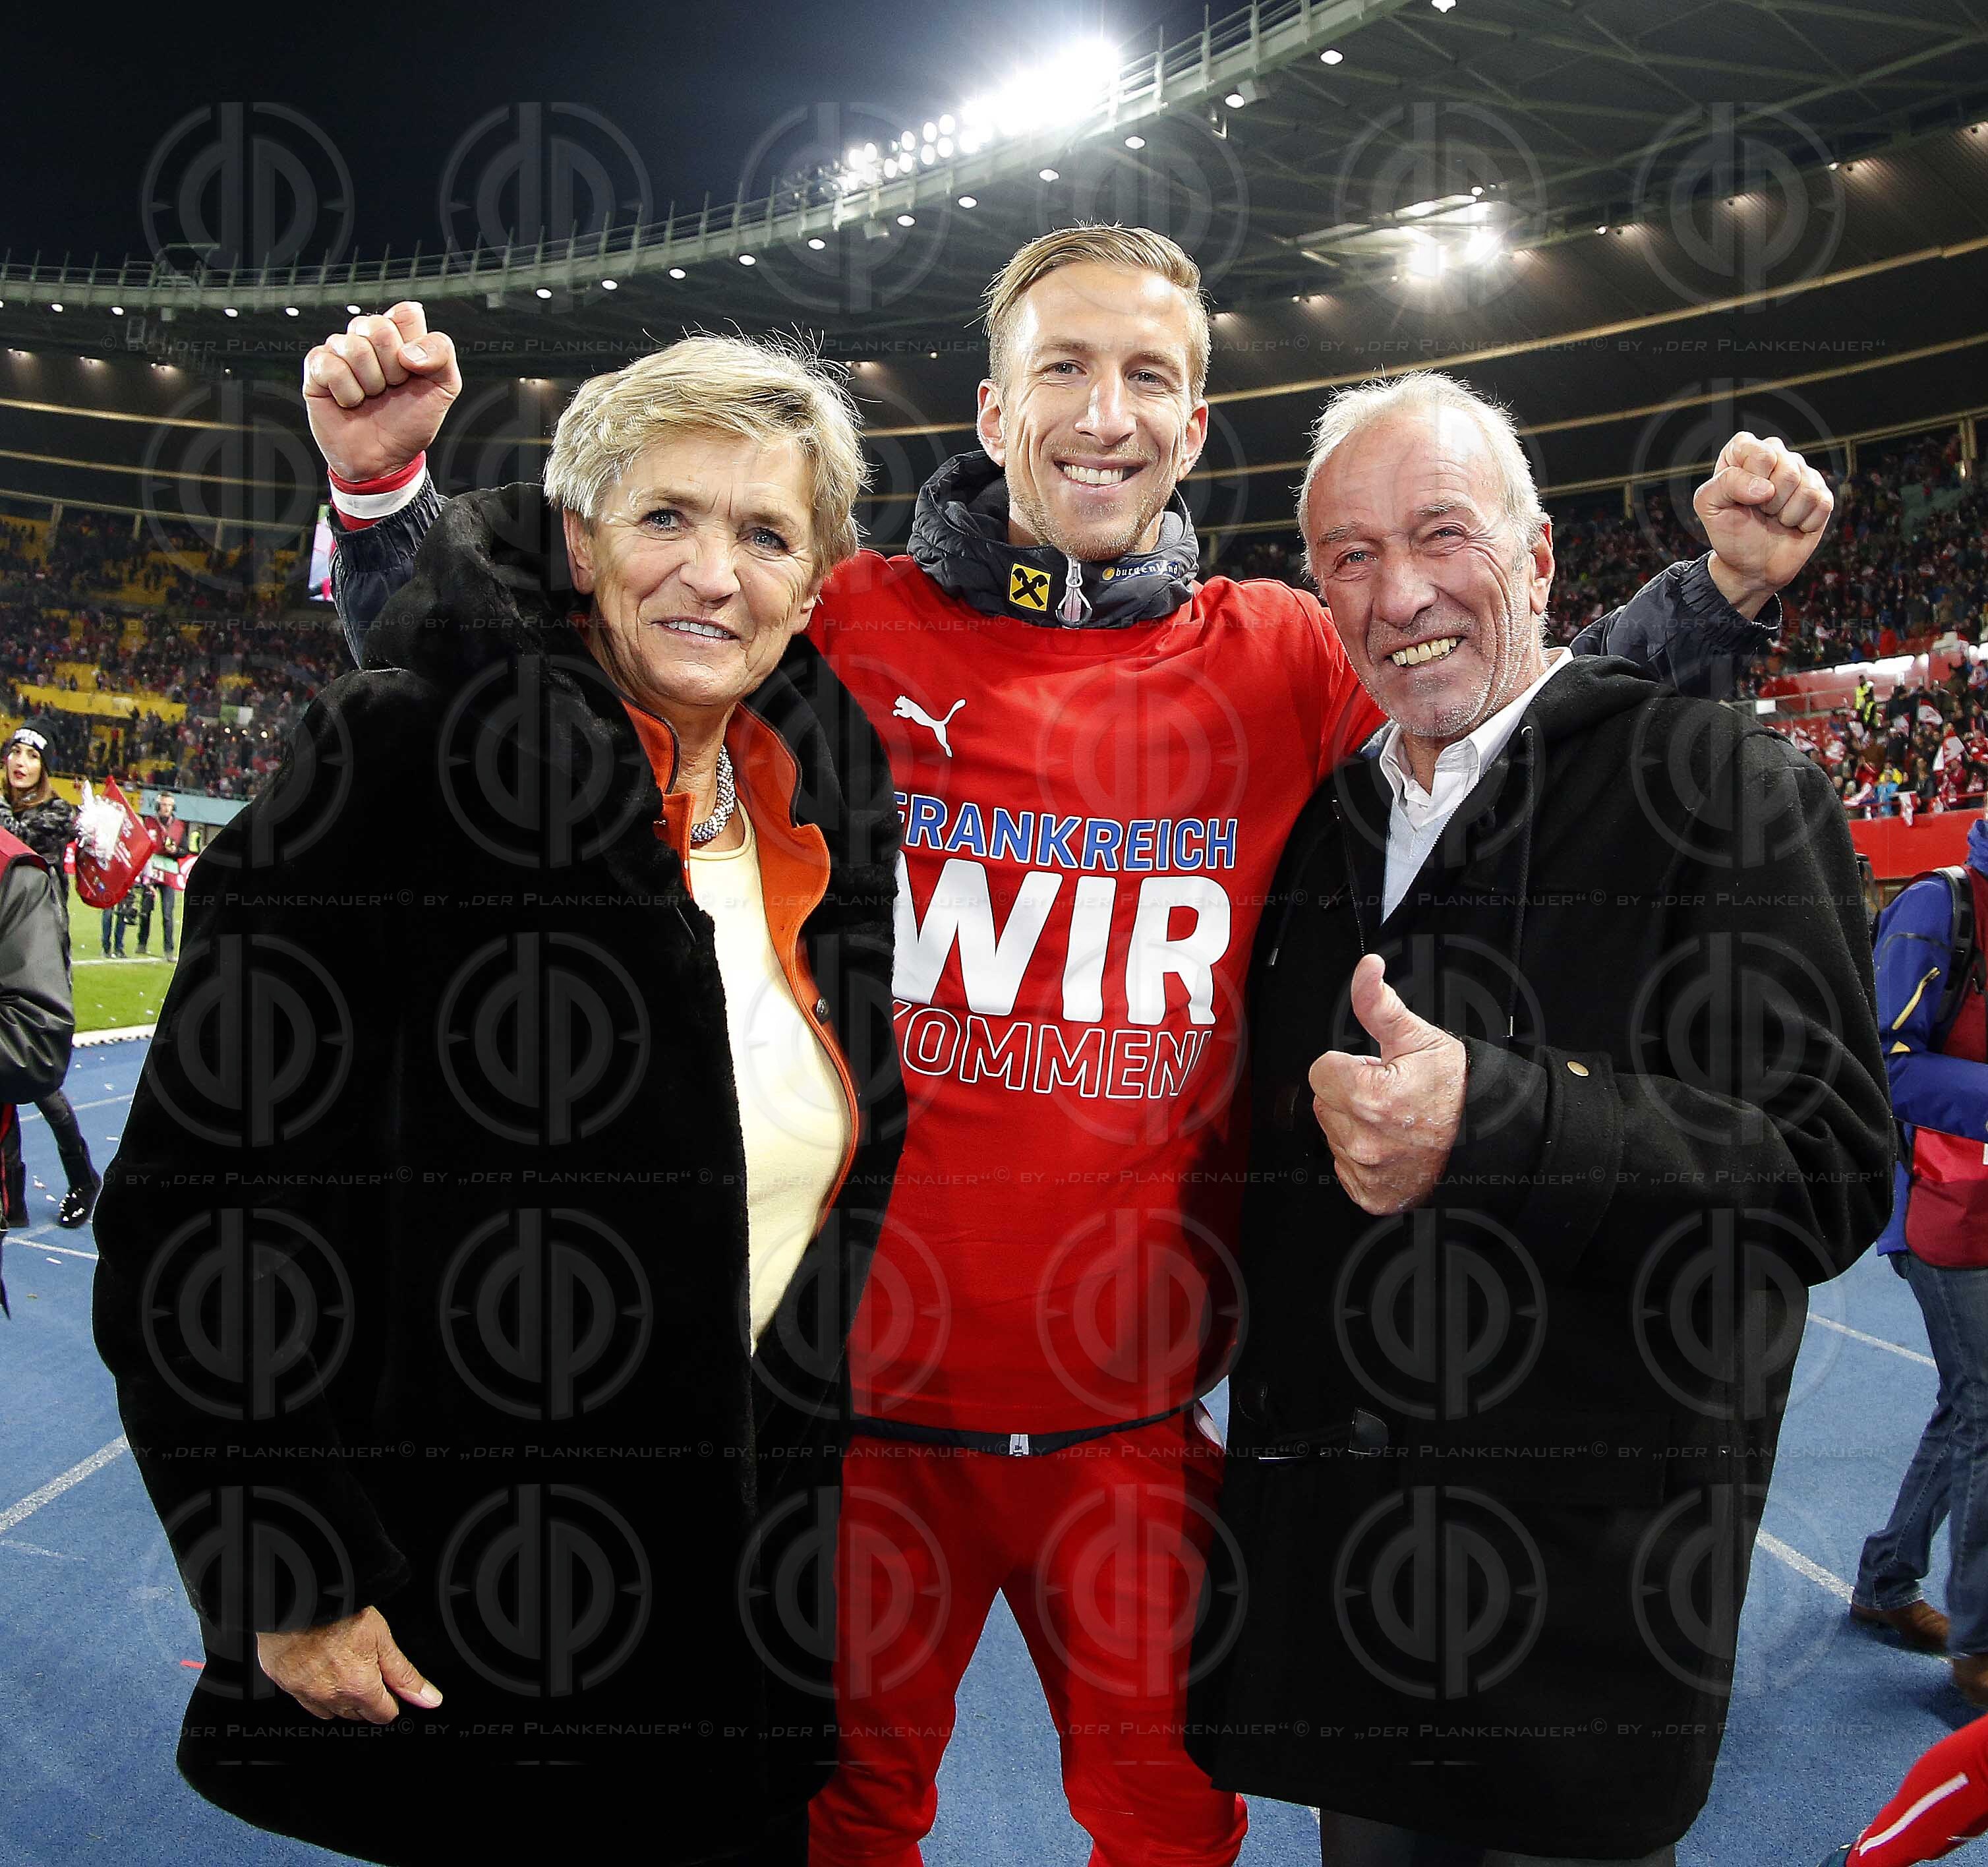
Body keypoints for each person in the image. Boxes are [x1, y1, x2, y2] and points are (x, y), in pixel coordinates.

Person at [306, 231, 1832, 1867]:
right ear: (988, 406)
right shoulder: (835, 619)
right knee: (835, 1825)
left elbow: (1509, 712)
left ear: (1192, 424)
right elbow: (521, 696)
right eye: (1061, 367)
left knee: (1171, 1829)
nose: (1103, 413)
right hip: (855, 1421)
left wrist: (1711, 595)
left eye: (1147, 377)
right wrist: (388, 497)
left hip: (1131, 1426)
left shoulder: (1283, 655)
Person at [92, 332, 906, 1867]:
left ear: (812, 587)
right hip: (469, 1628)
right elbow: (205, 1194)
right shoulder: (405, 755)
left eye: (762, 533)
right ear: (581, 536)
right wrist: (288, 1553)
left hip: (725, 1658)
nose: (710, 573)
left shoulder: (826, 819)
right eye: (666, 516)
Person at [1187, 372, 1890, 1864]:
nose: (1397, 593)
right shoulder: (1323, 829)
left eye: (1438, 535)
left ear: (1534, 560)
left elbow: (1820, 1173)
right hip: (1349, 1623)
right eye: (1347, 557)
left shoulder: (1721, 788)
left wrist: (1499, 1122)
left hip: (1576, 1631)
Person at [1851, 805, 1988, 1705]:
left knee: (1968, 1404)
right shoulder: (1940, 910)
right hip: (1935, 1208)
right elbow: (1883, 1063)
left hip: (1981, 1193)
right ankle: (1978, 1644)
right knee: (1984, 1407)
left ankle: (1885, 1581)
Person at [0, 724, 100, 1224]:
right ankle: (12, 1197)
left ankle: (81, 1175)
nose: (20, 762)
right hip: (4, 947)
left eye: (31, 755)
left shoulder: (58, 817)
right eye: (14, 752)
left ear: (45, 768)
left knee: (35, 1076)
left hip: (38, 957)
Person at [0, 799, 76, 1314]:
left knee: (49, 1099)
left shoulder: (13, 870)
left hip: (36, 956)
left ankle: (84, 1179)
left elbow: (37, 1036)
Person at [134, 788, 185, 958]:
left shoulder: (180, 826)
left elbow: (186, 851)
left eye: (170, 806)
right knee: (146, 909)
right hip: (151, 870)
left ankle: (169, 949)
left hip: (169, 872)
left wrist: (175, 851)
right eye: (163, 805)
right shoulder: (148, 822)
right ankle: (142, 943)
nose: (166, 809)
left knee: (168, 914)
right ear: (158, 806)